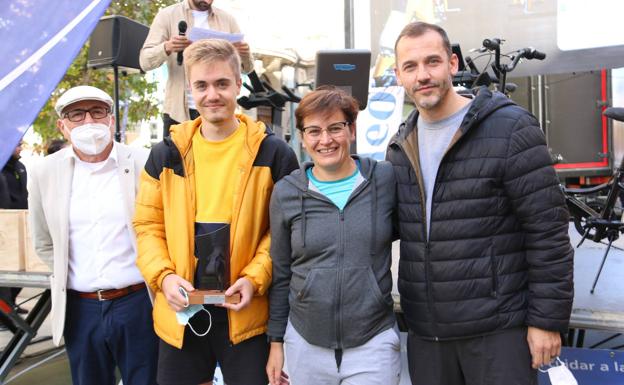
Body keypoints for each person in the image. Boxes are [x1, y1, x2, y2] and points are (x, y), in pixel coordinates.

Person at [386, 22, 574, 385]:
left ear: (452, 63)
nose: (422, 75)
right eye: (410, 67)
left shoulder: (509, 128)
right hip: (429, 335)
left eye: (432, 62)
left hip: (498, 334)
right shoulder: (400, 145)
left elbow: (548, 232)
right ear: (398, 75)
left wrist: (546, 321)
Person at [134, 39, 298, 385]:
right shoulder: (166, 155)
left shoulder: (274, 154)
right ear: (190, 89)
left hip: (245, 313)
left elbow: (285, 231)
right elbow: (148, 227)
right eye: (202, 85)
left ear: (239, 84)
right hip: (181, 313)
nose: (213, 95)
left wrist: (255, 278)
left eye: (222, 83)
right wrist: (163, 277)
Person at [266, 86, 401, 385]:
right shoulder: (287, 192)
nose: (325, 140)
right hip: (305, 342)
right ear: (302, 137)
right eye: (313, 131)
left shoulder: (384, 179)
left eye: (335, 128)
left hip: (372, 341)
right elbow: (281, 272)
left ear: (352, 129)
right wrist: (276, 342)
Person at [28, 86, 157, 385]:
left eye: (97, 112)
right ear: (63, 125)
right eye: (77, 114)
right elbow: (44, 241)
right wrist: (74, 275)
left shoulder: (143, 162)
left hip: (137, 302)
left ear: (111, 120)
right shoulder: (44, 172)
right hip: (80, 309)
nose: (89, 122)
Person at [140, 0, 254, 138]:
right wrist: (167, 47)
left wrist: (244, 53)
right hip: (178, 112)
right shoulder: (167, 15)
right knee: (177, 158)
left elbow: (246, 69)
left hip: (218, 111)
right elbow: (144, 61)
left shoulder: (227, 20)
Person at [0, 142, 29, 316]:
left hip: (20, 221)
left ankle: (12, 303)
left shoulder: (21, 167)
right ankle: (5, 312)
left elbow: (24, 193)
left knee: (20, 271)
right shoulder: (2, 168)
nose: (20, 148)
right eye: (17, 144)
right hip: (5, 225)